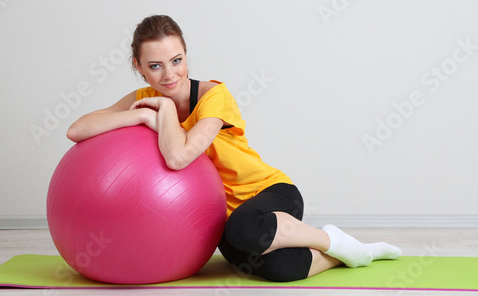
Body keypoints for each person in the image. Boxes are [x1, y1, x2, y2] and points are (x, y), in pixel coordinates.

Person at [67, 14, 402, 282]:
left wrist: (165, 111)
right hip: (221, 219)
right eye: (155, 66)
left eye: (177, 60)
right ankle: (343, 256)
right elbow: (77, 129)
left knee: (244, 228)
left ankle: (335, 241)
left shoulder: (215, 96)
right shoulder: (142, 100)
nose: (169, 75)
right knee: (277, 269)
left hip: (271, 194)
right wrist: (135, 116)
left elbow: (179, 155)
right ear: (138, 67)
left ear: (186, 56)